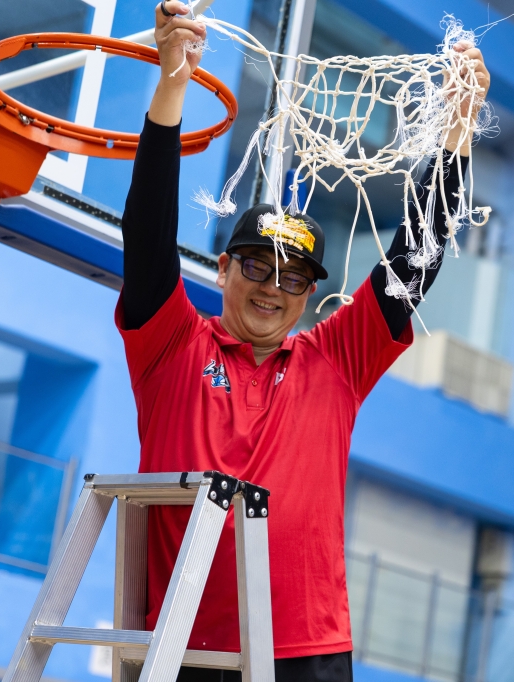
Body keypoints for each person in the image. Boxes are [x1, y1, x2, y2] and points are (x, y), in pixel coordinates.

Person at [116, 3, 491, 680]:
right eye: (256, 267)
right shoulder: (171, 344)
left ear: (310, 293)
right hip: (183, 648)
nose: (272, 288)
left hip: (307, 653)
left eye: (293, 278)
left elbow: (416, 254)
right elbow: (147, 235)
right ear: (222, 269)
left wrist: (459, 124)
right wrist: (173, 83)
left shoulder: (336, 359)